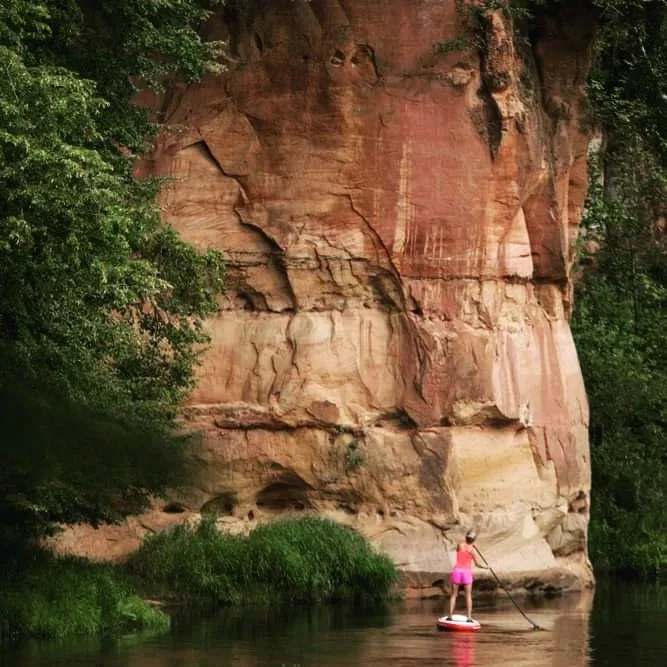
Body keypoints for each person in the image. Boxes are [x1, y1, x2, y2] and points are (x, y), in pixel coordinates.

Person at [447, 529, 487, 622]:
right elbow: (478, 564)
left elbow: (458, 551)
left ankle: (450, 616)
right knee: (468, 596)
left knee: (453, 595)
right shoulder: (472, 550)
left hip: (457, 571)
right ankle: (469, 617)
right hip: (466, 572)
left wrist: (469, 546)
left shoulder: (460, 545)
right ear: (474, 540)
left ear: (466, 537)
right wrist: (486, 567)